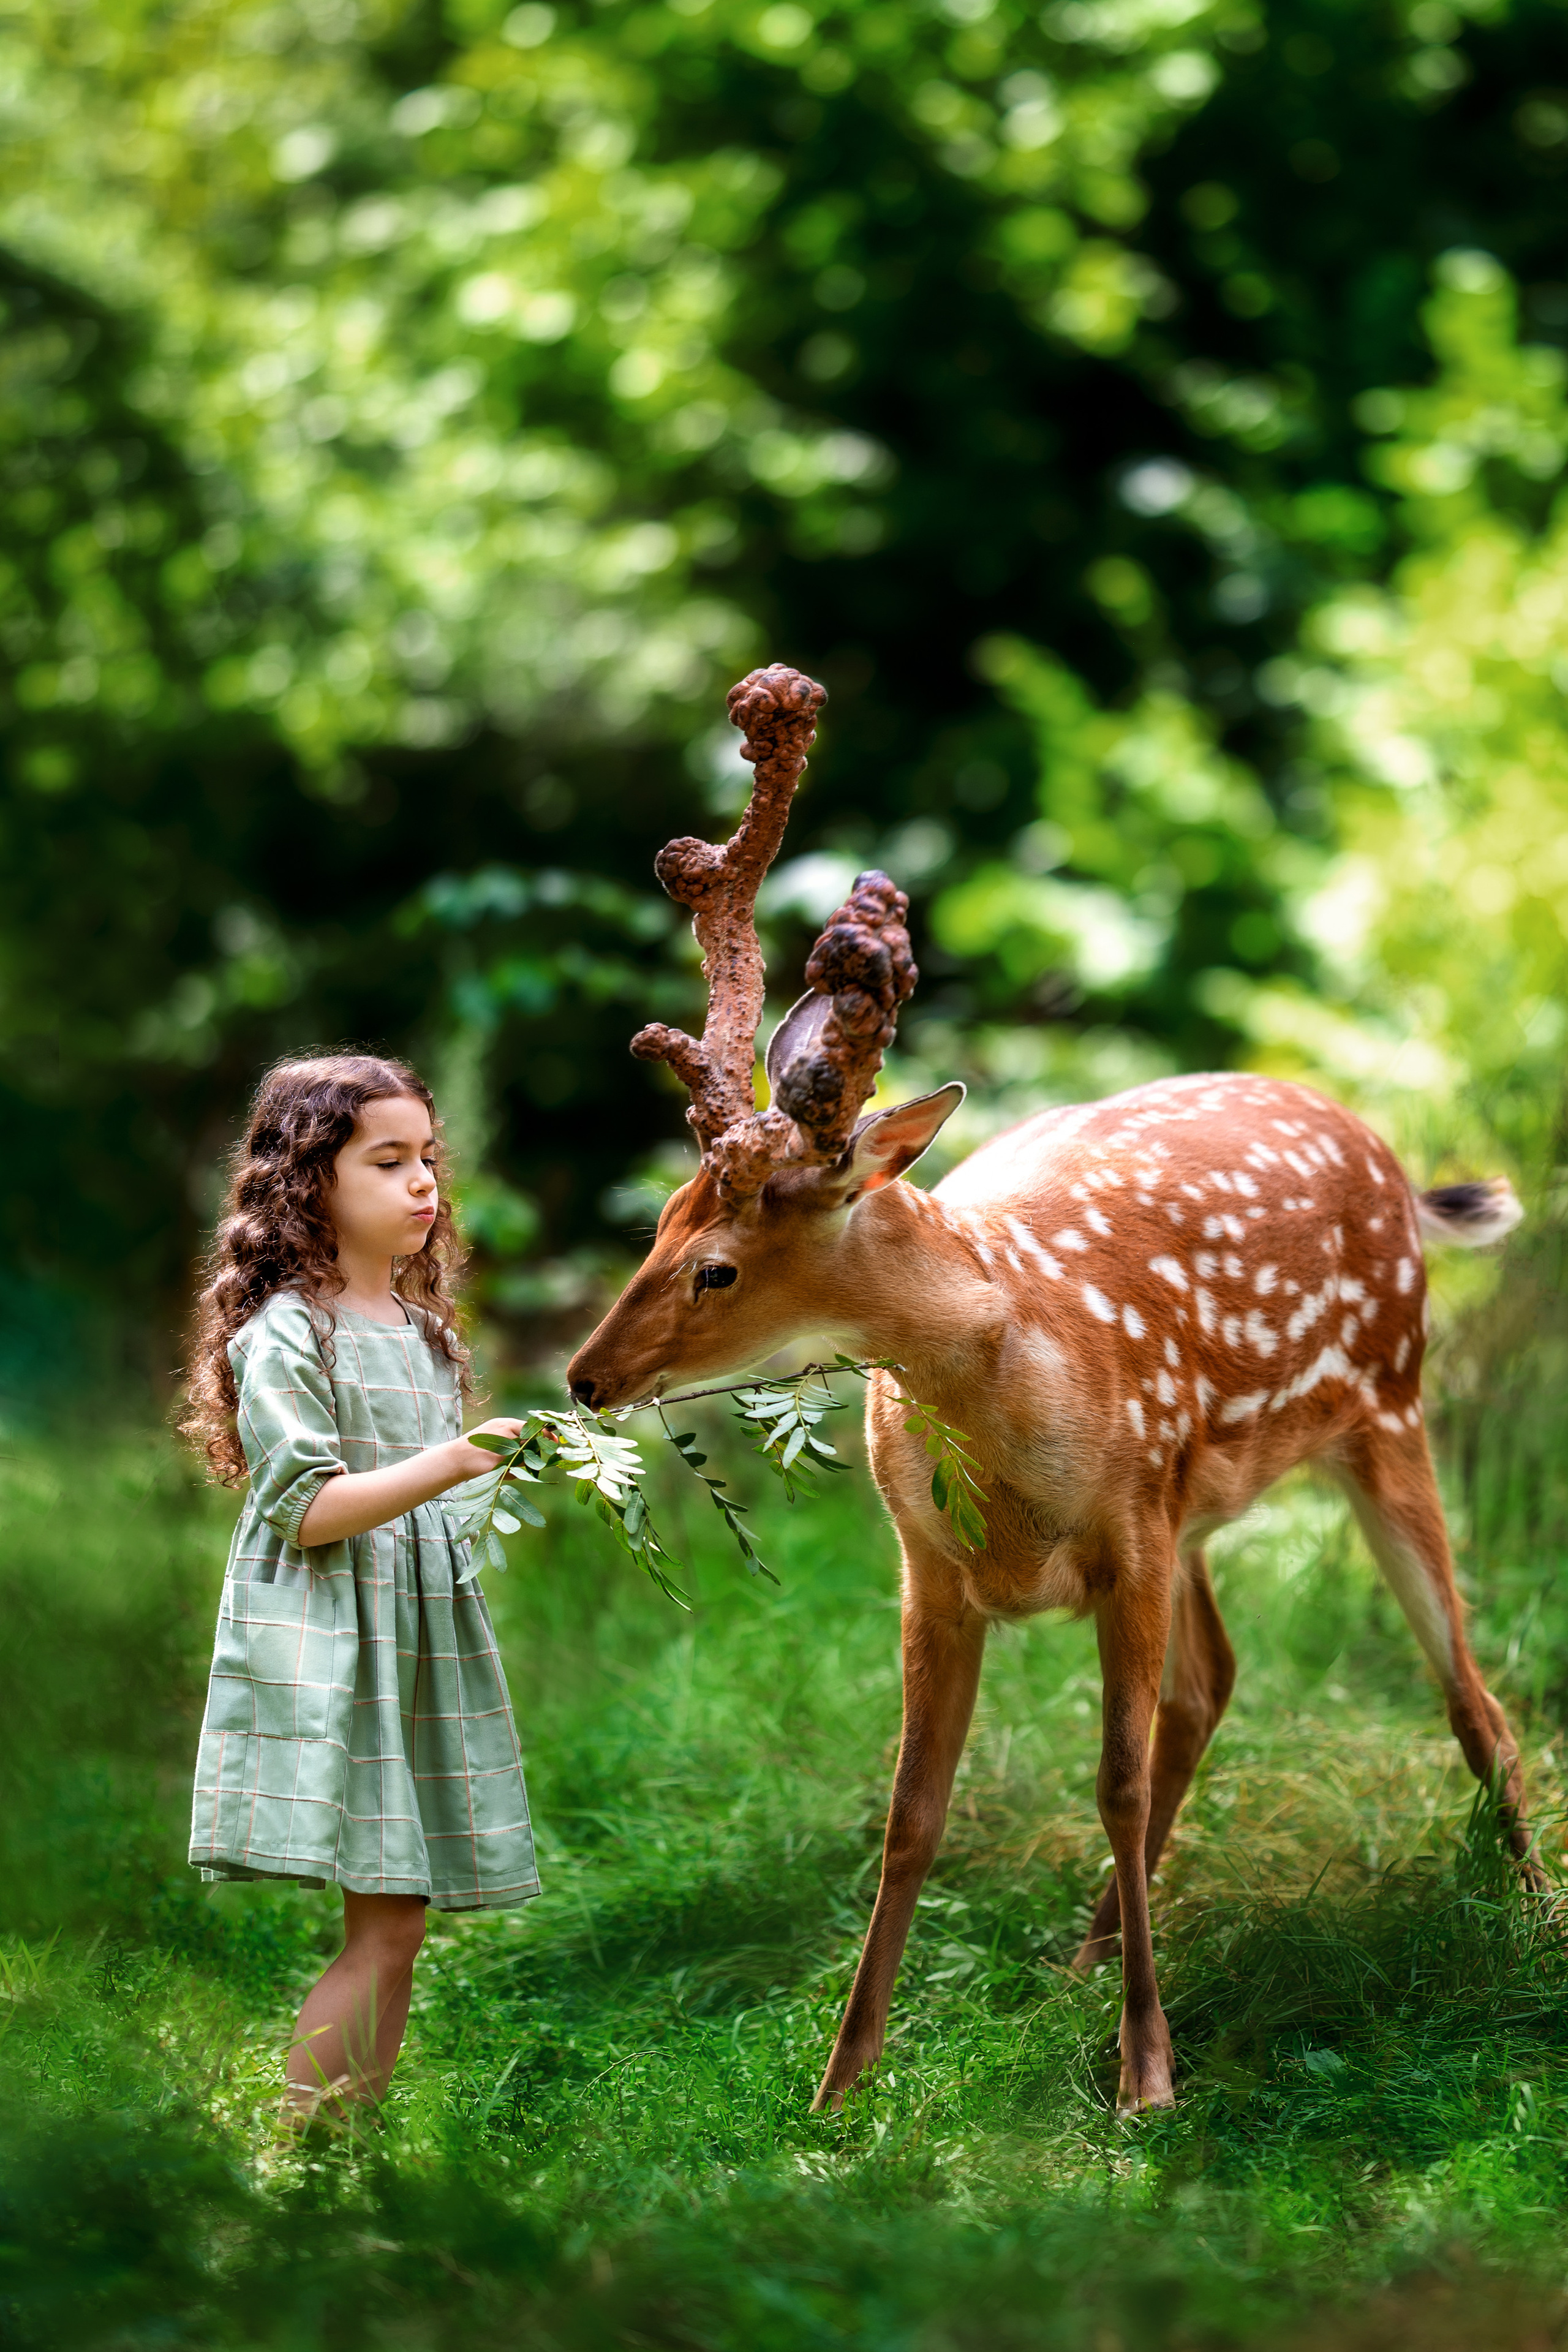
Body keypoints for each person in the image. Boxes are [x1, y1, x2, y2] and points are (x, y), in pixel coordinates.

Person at [181, 1051, 538, 2126]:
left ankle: (343, 2146)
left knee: (400, 1922)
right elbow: (309, 1509)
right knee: (387, 1925)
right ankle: (308, 2148)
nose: (422, 1182)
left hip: (414, 1641)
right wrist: (455, 1461)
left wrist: (503, 1465)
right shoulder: (290, 1331)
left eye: (427, 1157)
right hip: (336, 1640)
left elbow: (425, 1500)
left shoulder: (426, 1335)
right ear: (309, 1183)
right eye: (387, 1161)